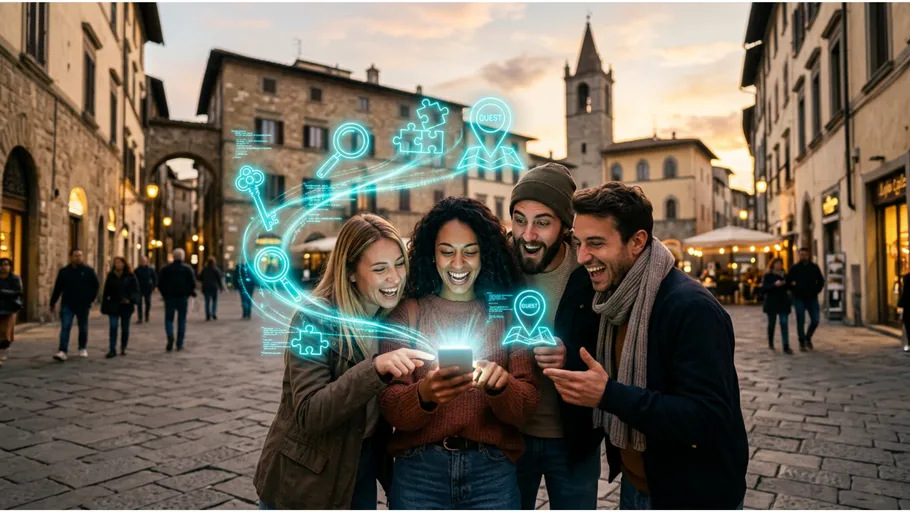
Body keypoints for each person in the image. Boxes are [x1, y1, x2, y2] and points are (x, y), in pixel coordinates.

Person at [544, 183, 748, 509]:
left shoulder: (690, 308)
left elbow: (706, 417)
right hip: (637, 485)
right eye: (579, 243)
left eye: (596, 243)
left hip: (692, 495)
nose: (582, 257)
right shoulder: (611, 301)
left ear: (637, 241)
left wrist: (608, 394)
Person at [255, 214, 433, 510]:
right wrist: (374, 368)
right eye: (380, 269)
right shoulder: (313, 319)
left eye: (399, 264)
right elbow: (310, 413)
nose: (395, 278)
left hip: (360, 470)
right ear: (350, 272)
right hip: (305, 480)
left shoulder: (391, 319)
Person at [379, 197, 540, 510]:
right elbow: (390, 406)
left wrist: (500, 386)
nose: (457, 264)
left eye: (470, 251)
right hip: (419, 472)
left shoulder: (507, 313)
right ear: (431, 254)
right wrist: (424, 394)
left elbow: (527, 406)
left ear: (486, 254)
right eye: (446, 251)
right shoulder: (406, 314)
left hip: (491, 473)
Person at [508, 163, 603, 510]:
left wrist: (570, 358)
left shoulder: (589, 273)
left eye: (542, 222)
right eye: (519, 219)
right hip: (509, 437)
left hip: (573, 440)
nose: (528, 234)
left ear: (565, 225)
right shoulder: (498, 269)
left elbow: (611, 353)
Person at [50, 249, 100, 361]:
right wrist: (53, 302)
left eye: (80, 255)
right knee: (65, 327)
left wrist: (90, 300)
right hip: (67, 303)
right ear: (71, 257)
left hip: (83, 304)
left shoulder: (88, 271)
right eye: (76, 255)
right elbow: (58, 288)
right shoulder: (64, 272)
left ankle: (82, 347)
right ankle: (62, 351)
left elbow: (95, 286)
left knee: (83, 327)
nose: (78, 258)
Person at [158, 248, 197, 352]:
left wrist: (164, 294)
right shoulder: (187, 269)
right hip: (182, 298)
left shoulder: (165, 269)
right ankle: (179, 343)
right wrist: (189, 293)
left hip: (169, 298)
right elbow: (193, 284)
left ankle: (170, 336)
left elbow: (160, 283)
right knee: (182, 320)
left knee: (169, 320)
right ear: (182, 257)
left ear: (173, 257)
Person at [101, 256, 140, 358]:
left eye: (119, 262)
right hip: (113, 305)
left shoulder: (130, 276)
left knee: (125, 328)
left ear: (124, 264)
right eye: (116, 263)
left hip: (126, 306)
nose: (117, 264)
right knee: (113, 327)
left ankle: (123, 347)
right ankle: (112, 349)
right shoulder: (111, 276)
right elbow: (106, 291)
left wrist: (130, 299)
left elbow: (135, 290)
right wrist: (104, 304)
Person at [787, 248, 824, 351]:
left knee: (815, 320)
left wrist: (816, 290)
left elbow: (821, 281)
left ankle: (808, 337)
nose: (803, 257)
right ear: (799, 255)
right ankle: (802, 342)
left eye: (805, 255)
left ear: (808, 255)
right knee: (800, 321)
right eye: (801, 255)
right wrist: (793, 288)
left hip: (812, 298)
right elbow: (788, 282)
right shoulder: (794, 268)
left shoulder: (814, 267)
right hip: (799, 298)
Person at [763, 257, 792, 354]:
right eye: (777, 264)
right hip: (772, 303)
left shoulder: (785, 275)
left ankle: (786, 345)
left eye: (780, 264)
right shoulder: (768, 276)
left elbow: (789, 287)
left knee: (784, 323)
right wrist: (775, 285)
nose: (779, 265)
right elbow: (764, 289)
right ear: (773, 265)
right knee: (772, 324)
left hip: (783, 302)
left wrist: (788, 283)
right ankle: (771, 342)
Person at [0, 257, 23, 368]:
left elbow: (18, 292)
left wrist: (2, 292)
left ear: (10, 266)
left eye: (6, 264)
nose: (4, 267)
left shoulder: (15, 278)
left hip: (9, 309)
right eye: (2, 265)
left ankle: (4, 351)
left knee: (6, 333)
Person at [134, 256, 157, 324]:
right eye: (142, 261)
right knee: (139, 304)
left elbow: (154, 278)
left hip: (148, 288)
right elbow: (134, 279)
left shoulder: (150, 269)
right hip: (139, 289)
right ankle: (140, 318)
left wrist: (155, 286)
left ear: (147, 262)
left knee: (148, 303)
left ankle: (147, 315)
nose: (143, 262)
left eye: (144, 261)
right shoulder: (137, 270)